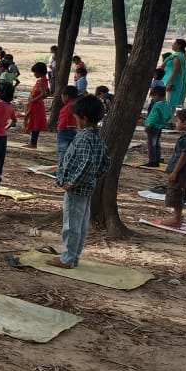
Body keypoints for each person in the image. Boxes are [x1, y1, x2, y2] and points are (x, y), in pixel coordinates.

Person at [45, 95, 112, 269]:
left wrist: (73, 182)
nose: (75, 122)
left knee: (71, 224)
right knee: (81, 224)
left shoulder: (83, 138)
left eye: (76, 119)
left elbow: (87, 162)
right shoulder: (97, 138)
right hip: (87, 187)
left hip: (77, 189)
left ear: (84, 118)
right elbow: (106, 162)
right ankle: (73, 256)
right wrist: (94, 177)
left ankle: (67, 259)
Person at [160, 108, 186, 227]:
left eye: (178, 121)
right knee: (180, 194)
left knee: (176, 194)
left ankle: (177, 219)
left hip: (181, 172)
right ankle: (176, 217)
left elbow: (184, 156)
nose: (176, 123)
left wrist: (175, 172)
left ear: (185, 124)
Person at [23, 63, 51, 148]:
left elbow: (43, 93)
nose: (34, 74)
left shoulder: (40, 81)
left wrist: (34, 100)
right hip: (38, 104)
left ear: (39, 72)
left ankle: (33, 143)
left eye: (35, 72)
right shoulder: (45, 80)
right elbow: (47, 93)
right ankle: (33, 142)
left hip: (36, 105)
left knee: (35, 122)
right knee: (36, 123)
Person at [142, 86, 171, 168]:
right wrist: (163, 122)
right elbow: (169, 116)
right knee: (157, 144)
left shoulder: (157, 105)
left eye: (152, 96)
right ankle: (157, 160)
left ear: (157, 95)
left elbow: (153, 117)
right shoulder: (167, 104)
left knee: (151, 145)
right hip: (160, 127)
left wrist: (149, 125)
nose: (152, 99)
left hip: (153, 127)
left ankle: (152, 161)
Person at [162, 38, 186, 111]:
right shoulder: (181, 55)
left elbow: (176, 70)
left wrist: (170, 82)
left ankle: (167, 119)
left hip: (172, 82)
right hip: (174, 81)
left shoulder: (177, 56)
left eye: (174, 43)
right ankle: (169, 119)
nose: (172, 45)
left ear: (179, 45)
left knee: (169, 101)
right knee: (170, 102)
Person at [56, 86, 80, 164]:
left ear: (66, 96)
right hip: (74, 129)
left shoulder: (67, 107)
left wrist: (60, 128)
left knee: (63, 150)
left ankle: (61, 168)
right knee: (71, 151)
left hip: (64, 131)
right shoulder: (77, 105)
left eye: (62, 97)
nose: (62, 99)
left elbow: (63, 119)